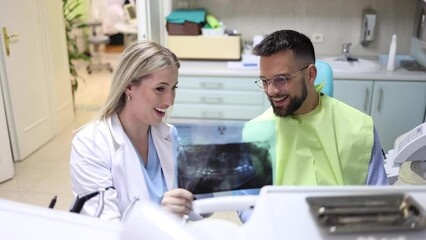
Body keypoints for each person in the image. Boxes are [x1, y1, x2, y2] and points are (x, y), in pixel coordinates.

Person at [238, 29, 388, 223]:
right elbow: (245, 203)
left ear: (310, 74)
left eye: (281, 79)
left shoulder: (359, 128)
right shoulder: (255, 132)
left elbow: (378, 200)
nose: (272, 90)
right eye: (265, 81)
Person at [70, 40, 199, 221]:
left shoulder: (170, 135)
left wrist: (205, 189)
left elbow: (193, 210)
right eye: (160, 89)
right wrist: (161, 217)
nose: (170, 100)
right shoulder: (90, 144)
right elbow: (106, 230)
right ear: (129, 86)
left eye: (173, 88)